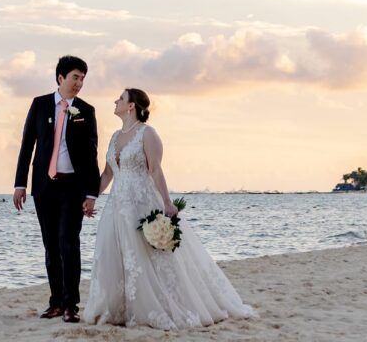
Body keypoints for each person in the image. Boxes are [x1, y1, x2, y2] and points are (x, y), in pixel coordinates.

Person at [83, 88, 255, 330]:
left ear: (131, 106)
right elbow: (108, 174)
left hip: (141, 204)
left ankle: (156, 306)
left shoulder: (147, 133)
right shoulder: (114, 136)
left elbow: (155, 170)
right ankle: (119, 308)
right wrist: (91, 197)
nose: (115, 101)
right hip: (116, 208)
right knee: (116, 255)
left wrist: (166, 202)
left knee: (149, 258)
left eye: (120, 98)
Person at [13, 55, 100, 323]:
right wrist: (20, 184)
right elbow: (27, 145)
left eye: (82, 78)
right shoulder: (39, 105)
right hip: (44, 188)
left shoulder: (86, 111)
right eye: (75, 77)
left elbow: (91, 155)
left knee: (68, 243)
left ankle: (71, 305)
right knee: (51, 246)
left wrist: (91, 194)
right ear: (61, 78)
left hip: (73, 188)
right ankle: (56, 303)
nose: (79, 83)